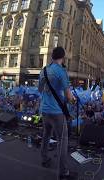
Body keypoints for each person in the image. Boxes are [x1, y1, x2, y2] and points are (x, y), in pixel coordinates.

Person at [38, 47, 76, 179]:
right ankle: (63, 171)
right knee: (62, 140)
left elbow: (40, 89)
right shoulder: (61, 71)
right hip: (56, 112)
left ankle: (44, 159)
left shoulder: (44, 70)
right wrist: (72, 100)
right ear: (63, 57)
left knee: (46, 135)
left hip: (44, 110)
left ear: (52, 57)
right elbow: (68, 95)